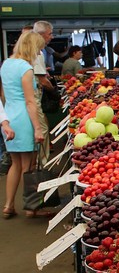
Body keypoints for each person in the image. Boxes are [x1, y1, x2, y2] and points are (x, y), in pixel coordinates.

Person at [2, 31, 46, 219]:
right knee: (28, 166)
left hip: (9, 118)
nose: (38, 55)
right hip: (24, 120)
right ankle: (31, 207)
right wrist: (37, 127)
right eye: (38, 50)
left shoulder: (6, 64)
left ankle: (8, 205)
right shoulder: (25, 69)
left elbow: (3, 95)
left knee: (15, 164)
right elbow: (30, 102)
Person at [30, 23, 53, 166]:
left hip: (30, 97)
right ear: (41, 34)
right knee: (41, 129)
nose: (51, 37)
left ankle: (34, 164)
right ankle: (42, 164)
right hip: (33, 96)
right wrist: (53, 91)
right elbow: (42, 80)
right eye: (50, 34)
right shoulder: (37, 52)